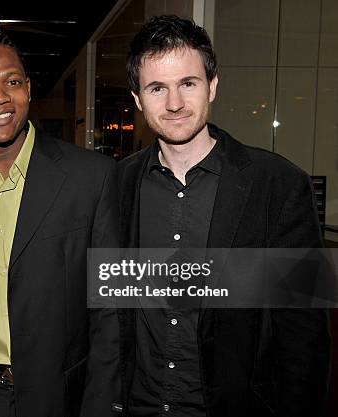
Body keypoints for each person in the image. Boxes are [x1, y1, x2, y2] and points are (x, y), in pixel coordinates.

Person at [117, 15, 330, 417]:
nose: (175, 103)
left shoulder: (280, 185)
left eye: (188, 84)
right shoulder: (118, 184)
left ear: (212, 86)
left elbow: (305, 336)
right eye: (157, 88)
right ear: (137, 98)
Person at [0, 31, 120, 417]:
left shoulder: (91, 177)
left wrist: (103, 405)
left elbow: (111, 309)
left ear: (29, 89)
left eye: (12, 82)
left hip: (62, 395)